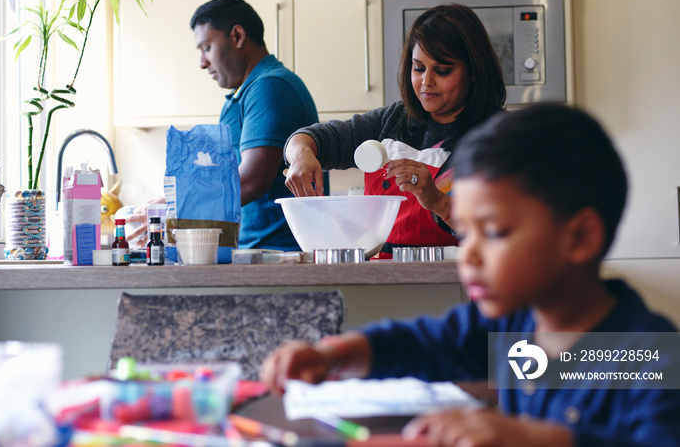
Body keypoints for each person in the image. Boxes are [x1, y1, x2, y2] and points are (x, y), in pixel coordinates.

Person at [261, 104, 680, 446]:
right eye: (466, 228)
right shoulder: (514, 328)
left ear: (581, 237)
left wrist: (533, 438)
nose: (469, 254)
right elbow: (424, 343)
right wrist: (334, 354)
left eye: (494, 231)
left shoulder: (647, 356)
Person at [283, 3, 506, 258]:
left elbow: (501, 233)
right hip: (383, 281)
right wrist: (300, 154)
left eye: (442, 70)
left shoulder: (499, 137)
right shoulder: (394, 120)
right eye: (418, 68)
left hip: (453, 283)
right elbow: (314, 137)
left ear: (474, 71)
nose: (426, 81)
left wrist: (438, 202)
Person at [127, 0, 318, 251]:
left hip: (281, 257)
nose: (202, 62)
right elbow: (225, 181)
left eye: (206, 47)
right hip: (253, 253)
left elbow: (251, 180)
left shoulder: (271, 86)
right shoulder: (241, 96)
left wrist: (174, 203)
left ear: (237, 36)